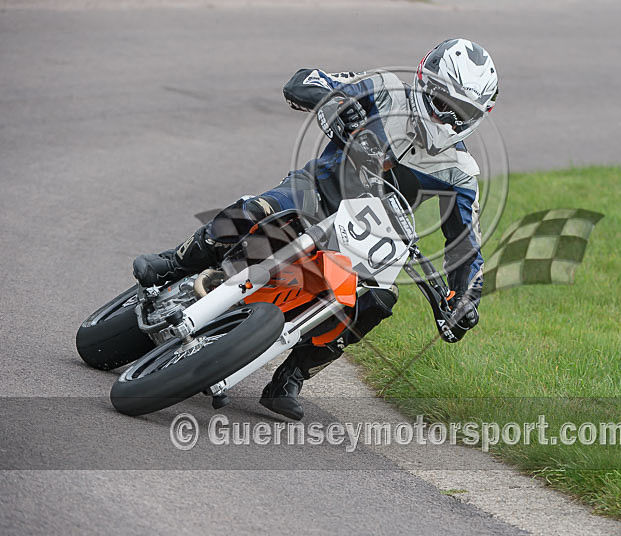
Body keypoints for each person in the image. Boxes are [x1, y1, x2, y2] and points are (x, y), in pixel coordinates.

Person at [132, 38, 499, 420]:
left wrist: (465, 300)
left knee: (377, 300)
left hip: (368, 237)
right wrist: (340, 105)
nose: (448, 119)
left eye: (462, 113)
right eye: (444, 104)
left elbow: (465, 245)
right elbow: (305, 81)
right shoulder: (386, 88)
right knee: (258, 209)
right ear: (425, 83)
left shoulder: (461, 172)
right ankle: (174, 263)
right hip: (316, 192)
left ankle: (292, 376)